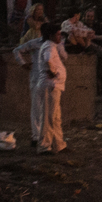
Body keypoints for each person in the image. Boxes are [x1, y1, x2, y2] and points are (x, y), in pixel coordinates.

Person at [16, 20, 68, 154]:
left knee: (54, 116)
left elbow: (62, 57)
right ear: (50, 35)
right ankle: (43, 144)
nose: (60, 37)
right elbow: (47, 58)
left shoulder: (53, 45)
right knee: (46, 115)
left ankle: (58, 144)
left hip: (52, 85)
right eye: (58, 35)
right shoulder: (48, 46)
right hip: (48, 84)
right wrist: (53, 71)